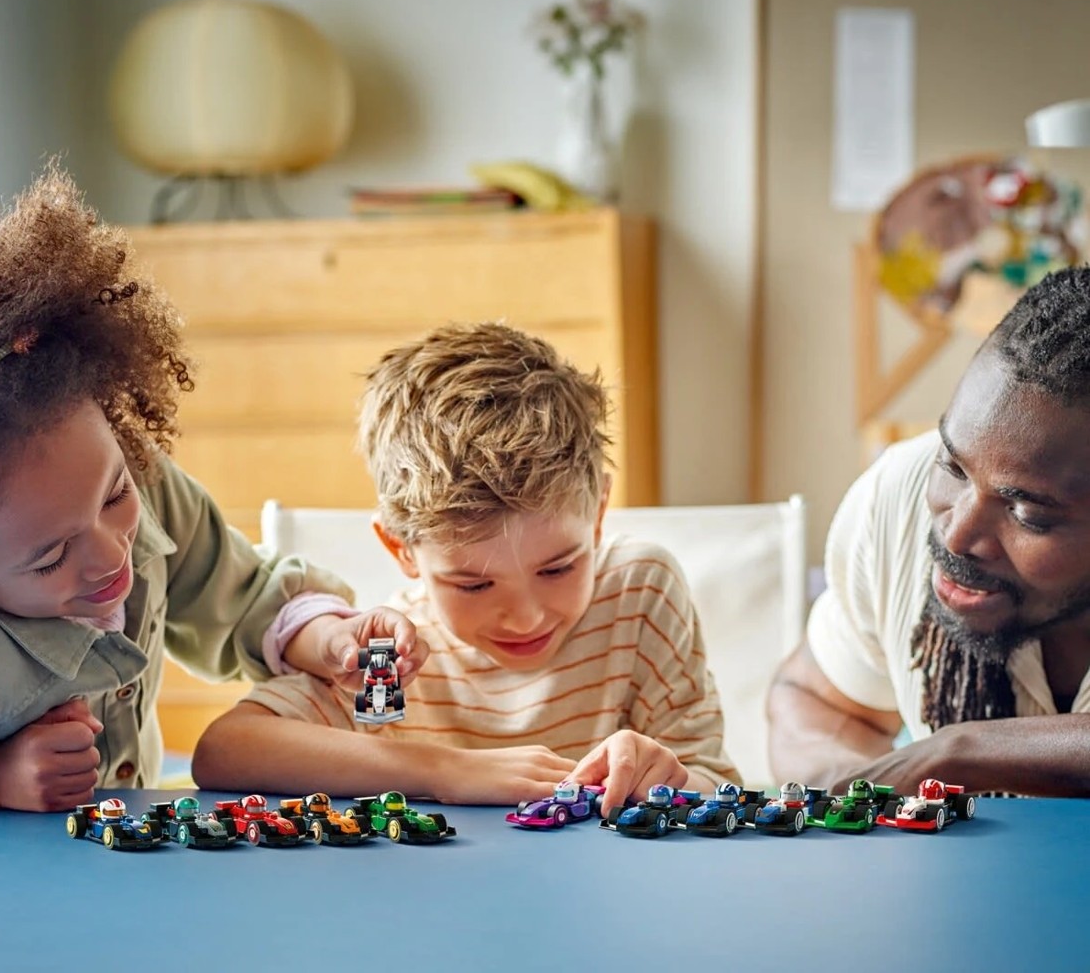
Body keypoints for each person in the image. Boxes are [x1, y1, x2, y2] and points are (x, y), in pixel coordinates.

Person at [0, 167, 420, 812]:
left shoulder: (155, 490)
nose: (111, 555)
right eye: (50, 556)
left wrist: (331, 640)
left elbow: (248, 599)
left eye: (114, 497)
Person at [192, 322, 739, 813]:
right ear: (402, 549)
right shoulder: (395, 660)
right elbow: (224, 749)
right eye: (474, 583)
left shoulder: (642, 589)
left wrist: (669, 777)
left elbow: (715, 783)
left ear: (597, 515)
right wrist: (445, 770)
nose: (525, 619)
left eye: (558, 568)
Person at [768, 266, 1090, 797]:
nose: (957, 535)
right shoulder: (895, 495)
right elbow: (815, 700)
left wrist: (957, 752)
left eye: (1027, 513)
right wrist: (850, 793)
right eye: (954, 467)